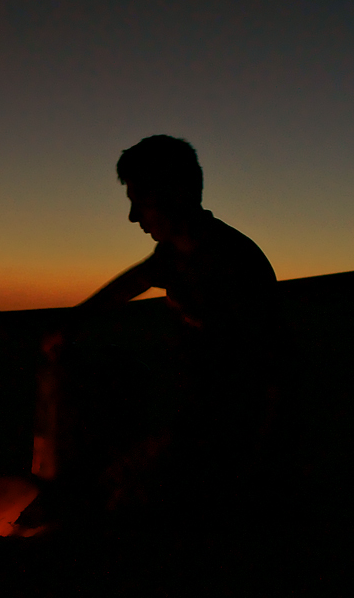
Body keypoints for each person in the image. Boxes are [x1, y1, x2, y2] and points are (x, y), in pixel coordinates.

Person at [25, 135, 284, 529]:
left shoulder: (231, 263)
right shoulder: (178, 253)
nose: (133, 216)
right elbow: (135, 281)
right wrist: (73, 322)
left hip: (227, 437)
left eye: (139, 201)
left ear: (174, 193)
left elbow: (256, 376)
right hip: (198, 423)